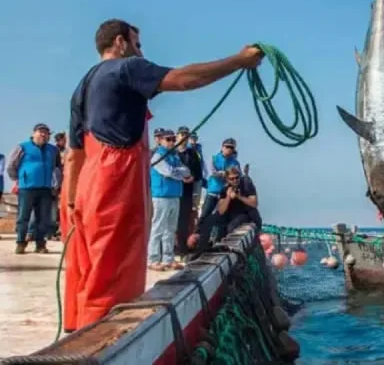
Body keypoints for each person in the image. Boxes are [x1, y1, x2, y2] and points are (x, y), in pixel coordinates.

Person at [62, 18, 263, 330]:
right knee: (113, 274)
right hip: (114, 182)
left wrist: (73, 203)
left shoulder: (84, 84)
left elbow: (73, 154)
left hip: (86, 183)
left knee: (88, 270)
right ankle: (102, 343)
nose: (141, 52)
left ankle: (77, 334)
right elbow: (183, 79)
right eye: (137, 44)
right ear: (120, 42)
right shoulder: (126, 68)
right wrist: (238, 61)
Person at [7, 123, 62, 254]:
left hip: (45, 188)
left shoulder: (53, 150)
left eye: (46, 133)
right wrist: (18, 180)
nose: (43, 135)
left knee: (43, 219)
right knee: (23, 217)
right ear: (33, 133)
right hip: (27, 188)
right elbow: (11, 165)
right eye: (40, 132)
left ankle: (40, 244)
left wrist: (57, 185)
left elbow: (58, 168)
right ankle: (20, 243)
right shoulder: (22, 147)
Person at [188, 166, 262, 253]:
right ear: (227, 180)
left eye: (237, 177)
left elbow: (254, 203)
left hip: (246, 214)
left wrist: (239, 196)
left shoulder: (246, 184)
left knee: (231, 227)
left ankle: (225, 246)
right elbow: (221, 210)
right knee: (209, 221)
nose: (235, 181)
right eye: (232, 179)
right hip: (231, 214)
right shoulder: (225, 189)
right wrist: (228, 197)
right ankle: (202, 249)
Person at [148, 130, 191, 271]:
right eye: (168, 139)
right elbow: (168, 172)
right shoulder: (157, 156)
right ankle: (153, 259)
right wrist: (179, 173)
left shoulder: (174, 156)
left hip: (174, 195)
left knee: (171, 229)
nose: (172, 142)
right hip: (161, 196)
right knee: (158, 228)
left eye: (173, 139)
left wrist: (177, 172)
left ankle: (168, 259)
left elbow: (187, 171)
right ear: (160, 140)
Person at [174, 126, 203, 260]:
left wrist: (192, 180)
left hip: (187, 192)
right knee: (170, 222)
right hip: (172, 191)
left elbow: (198, 174)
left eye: (186, 134)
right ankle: (170, 249)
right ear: (177, 135)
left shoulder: (192, 153)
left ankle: (182, 249)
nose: (184, 137)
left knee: (184, 221)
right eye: (182, 134)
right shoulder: (171, 152)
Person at [199, 138, 241, 223]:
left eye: (232, 147)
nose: (229, 149)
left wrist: (224, 174)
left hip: (226, 194)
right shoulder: (214, 158)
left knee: (223, 217)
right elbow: (213, 172)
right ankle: (198, 233)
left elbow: (237, 177)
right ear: (222, 147)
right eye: (227, 146)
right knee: (204, 215)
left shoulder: (235, 162)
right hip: (213, 191)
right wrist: (225, 174)